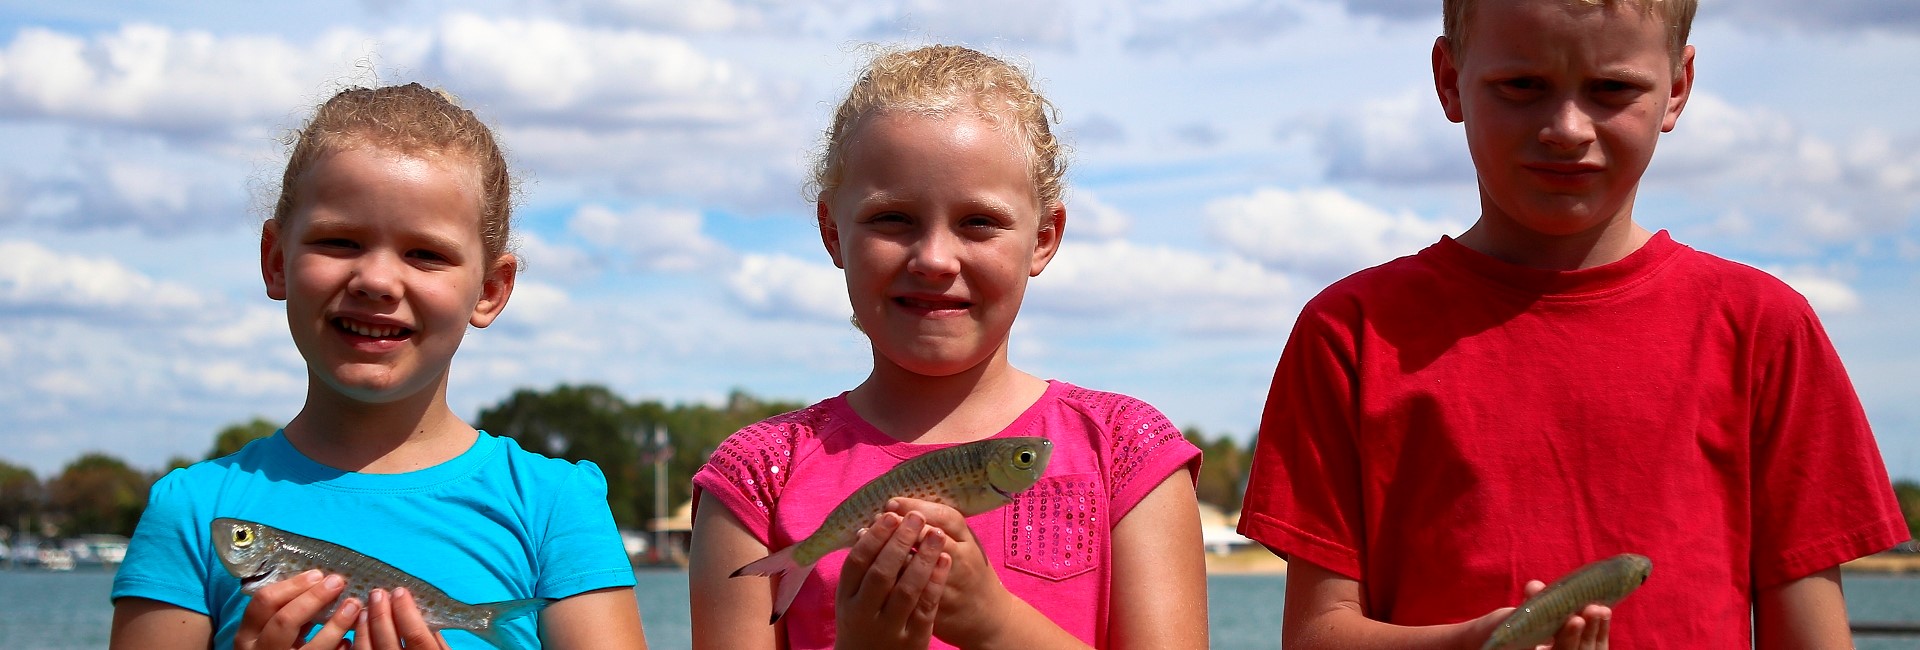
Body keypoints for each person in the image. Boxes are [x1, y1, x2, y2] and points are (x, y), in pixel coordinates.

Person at [1237, 0, 1908, 647]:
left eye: (1611, 88)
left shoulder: (1765, 330)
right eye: (1521, 84)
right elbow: (1318, 632)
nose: (1566, 127)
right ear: (1449, 82)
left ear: (1677, 88)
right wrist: (1478, 645)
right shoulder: (1350, 332)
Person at [687, 45, 1209, 650]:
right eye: (893, 219)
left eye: (978, 222)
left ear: (1044, 238)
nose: (934, 259)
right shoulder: (756, 477)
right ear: (834, 233)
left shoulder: (1124, 452)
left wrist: (994, 624)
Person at [107, 83, 648, 650]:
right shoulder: (193, 512)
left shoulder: (552, 505)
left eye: (426, 254)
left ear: (490, 289)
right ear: (276, 262)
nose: (378, 281)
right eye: (339, 241)